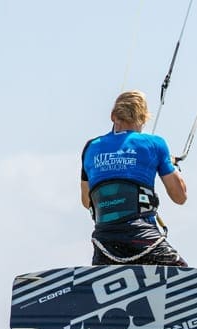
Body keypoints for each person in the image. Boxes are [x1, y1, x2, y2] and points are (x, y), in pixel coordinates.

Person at [80, 90, 188, 266]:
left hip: (104, 242)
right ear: (144, 119)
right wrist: (168, 162)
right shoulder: (155, 144)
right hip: (143, 238)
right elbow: (180, 197)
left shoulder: (91, 148)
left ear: (113, 116)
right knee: (181, 274)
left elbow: (87, 202)